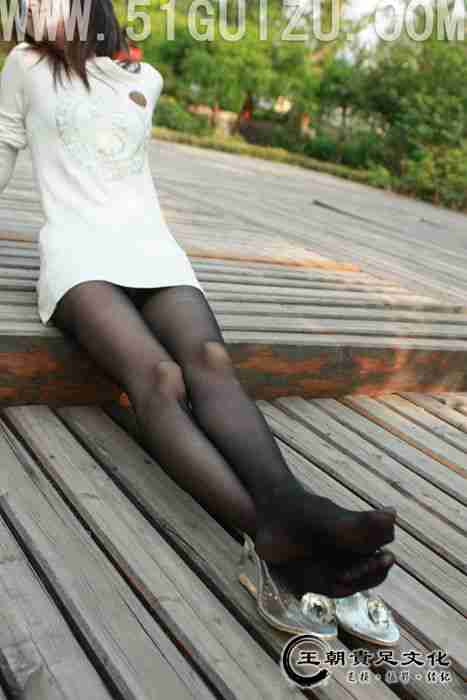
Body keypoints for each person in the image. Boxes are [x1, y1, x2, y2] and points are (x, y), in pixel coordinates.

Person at [0, 0, 397, 614]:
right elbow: (3, 145)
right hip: (77, 253)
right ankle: (272, 526)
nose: (31, 7)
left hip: (151, 247)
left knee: (210, 359)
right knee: (159, 377)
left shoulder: (146, 78)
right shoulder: (26, 64)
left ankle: (287, 514)